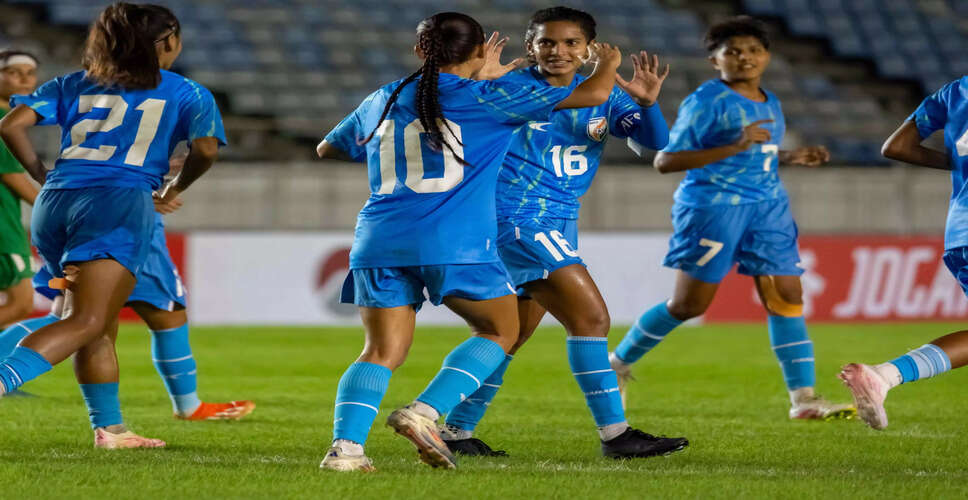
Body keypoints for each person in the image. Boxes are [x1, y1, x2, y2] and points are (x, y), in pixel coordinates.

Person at [315, 11, 622, 471]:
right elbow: (595, 94)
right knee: (501, 331)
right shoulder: (492, 98)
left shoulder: (385, 96)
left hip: (378, 239)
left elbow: (329, 148)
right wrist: (608, 64)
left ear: (421, 51)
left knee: (379, 352)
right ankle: (424, 413)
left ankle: (345, 451)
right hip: (454, 243)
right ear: (480, 52)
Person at [440, 6, 687, 459]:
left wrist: (648, 105)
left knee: (510, 333)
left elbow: (656, 144)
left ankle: (456, 429)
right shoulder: (510, 88)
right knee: (590, 320)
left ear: (588, 47)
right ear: (530, 45)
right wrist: (480, 85)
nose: (558, 51)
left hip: (555, 222)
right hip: (517, 217)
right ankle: (616, 434)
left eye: (571, 43)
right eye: (547, 42)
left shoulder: (605, 94)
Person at [0, 2, 225, 448]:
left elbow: (11, 125)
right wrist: (174, 187)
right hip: (118, 202)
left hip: (56, 202)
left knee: (96, 324)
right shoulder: (188, 92)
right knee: (87, 320)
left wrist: (43, 176)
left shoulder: (74, 82)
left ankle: (111, 429)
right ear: (168, 42)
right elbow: (206, 151)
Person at [609, 16, 854, 420]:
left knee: (787, 297)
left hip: (768, 207)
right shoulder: (707, 101)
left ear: (767, 56)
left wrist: (790, 156)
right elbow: (666, 160)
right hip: (714, 208)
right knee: (689, 305)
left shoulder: (770, 101)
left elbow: (755, 154)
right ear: (714, 60)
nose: (745, 58)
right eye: (733, 51)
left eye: (754, 51)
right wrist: (736, 144)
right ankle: (618, 363)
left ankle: (805, 399)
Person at [0, 156, 254, 421]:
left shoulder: (79, 116)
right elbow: (204, 148)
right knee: (166, 311)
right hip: (123, 218)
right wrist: (155, 184)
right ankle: (187, 406)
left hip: (71, 208)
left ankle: (116, 426)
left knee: (68, 314)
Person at [839, 75, 968, 430]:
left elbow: (897, 146)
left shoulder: (955, 91)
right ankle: (885, 375)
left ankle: (885, 376)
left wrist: (957, 164)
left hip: (960, 232)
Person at [0, 50, 39, 328]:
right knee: (21, 302)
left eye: (30, 73)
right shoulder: (4, 121)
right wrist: (55, 211)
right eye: (14, 72)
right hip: (3, 228)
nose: (24, 79)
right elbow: (12, 176)